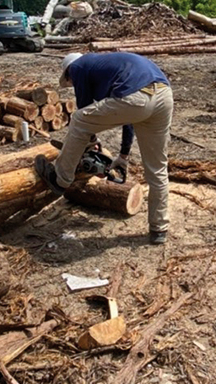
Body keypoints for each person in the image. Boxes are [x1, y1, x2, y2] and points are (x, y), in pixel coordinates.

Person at [34, 51, 173, 244]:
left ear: (68, 73)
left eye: (70, 82)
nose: (73, 84)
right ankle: (159, 229)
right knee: (157, 168)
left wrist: (90, 142)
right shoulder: (108, 67)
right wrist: (123, 156)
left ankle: (60, 179)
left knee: (79, 119)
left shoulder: (78, 67)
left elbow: (84, 109)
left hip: (136, 98)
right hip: (164, 95)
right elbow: (130, 117)